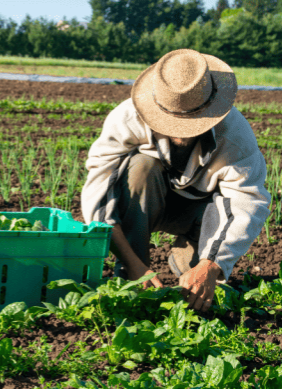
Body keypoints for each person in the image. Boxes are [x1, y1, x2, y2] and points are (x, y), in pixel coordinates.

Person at [81, 48, 271, 312]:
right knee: (140, 167)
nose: (181, 136)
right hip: (146, 201)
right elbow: (99, 196)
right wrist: (134, 265)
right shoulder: (127, 118)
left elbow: (247, 202)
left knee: (198, 289)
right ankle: (131, 273)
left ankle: (188, 257)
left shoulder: (235, 136)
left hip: (199, 212)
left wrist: (210, 266)